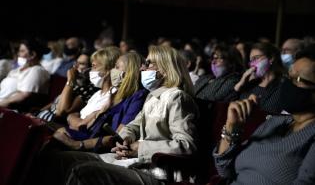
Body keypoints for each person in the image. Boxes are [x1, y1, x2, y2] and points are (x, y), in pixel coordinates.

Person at [36, 45, 199, 185]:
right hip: (134, 161)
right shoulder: (153, 96)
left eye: (148, 64)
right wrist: (125, 139)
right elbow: (133, 126)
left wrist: (140, 148)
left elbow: (186, 145)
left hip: (158, 173)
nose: (142, 68)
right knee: (58, 159)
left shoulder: (177, 97)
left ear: (164, 69)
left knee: (81, 171)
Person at [213, 46, 315, 185]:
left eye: (297, 78)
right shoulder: (274, 122)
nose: (288, 83)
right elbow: (224, 170)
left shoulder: (310, 135)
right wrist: (231, 128)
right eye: (288, 75)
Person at [52, 52, 148, 151]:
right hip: (90, 137)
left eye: (117, 67)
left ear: (129, 72)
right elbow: (89, 126)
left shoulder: (138, 96)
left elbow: (119, 136)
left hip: (100, 147)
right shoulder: (117, 94)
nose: (113, 71)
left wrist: (78, 144)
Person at [34, 52, 98, 122]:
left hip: (53, 121)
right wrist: (36, 113)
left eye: (82, 64)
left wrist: (70, 80)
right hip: (43, 116)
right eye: (76, 62)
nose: (76, 66)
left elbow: (62, 112)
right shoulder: (75, 83)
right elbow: (55, 103)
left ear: (91, 68)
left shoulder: (89, 88)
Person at [233, 42, 284, 114]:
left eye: (256, 58)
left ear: (271, 58)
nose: (252, 64)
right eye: (251, 60)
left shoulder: (283, 84)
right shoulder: (251, 83)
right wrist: (241, 82)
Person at [0, 39, 50, 111]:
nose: (18, 54)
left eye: (22, 51)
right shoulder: (18, 70)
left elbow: (23, 95)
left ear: (32, 54)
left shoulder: (37, 70)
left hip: (8, 110)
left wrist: (1, 104)